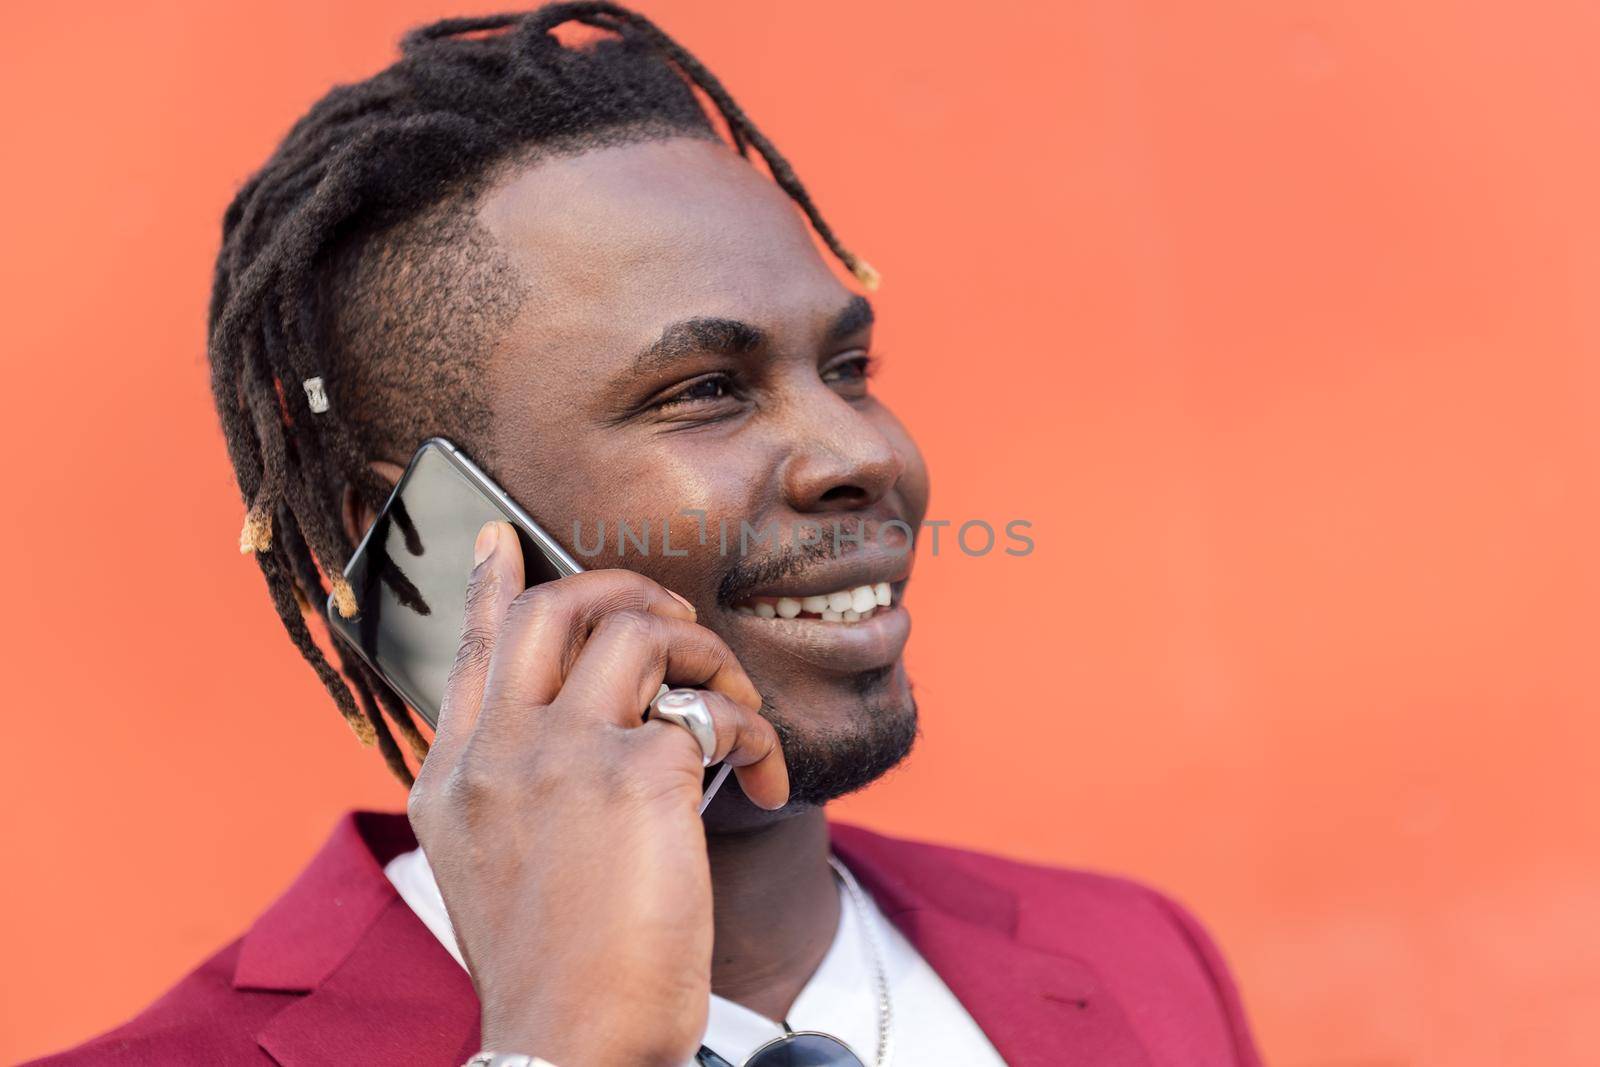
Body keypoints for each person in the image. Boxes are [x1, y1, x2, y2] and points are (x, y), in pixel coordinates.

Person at [33, 5, 1261, 1065]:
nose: (865, 455)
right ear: (416, 533)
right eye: (706, 389)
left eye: (848, 365)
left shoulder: (1136, 957)